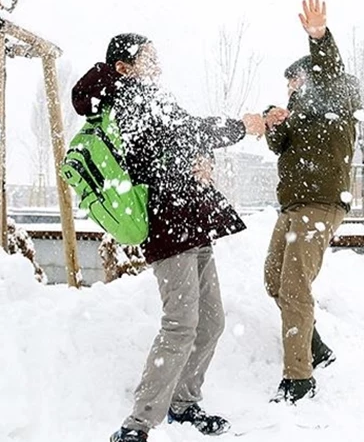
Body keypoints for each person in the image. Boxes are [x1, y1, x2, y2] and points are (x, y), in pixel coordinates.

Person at [72, 33, 266, 442]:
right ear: (124, 66)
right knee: (181, 324)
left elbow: (180, 140)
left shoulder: (151, 97)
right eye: (147, 57)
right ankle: (136, 424)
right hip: (166, 223)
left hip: (191, 218)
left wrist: (203, 159)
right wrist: (240, 128)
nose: (157, 63)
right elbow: (184, 130)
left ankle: (183, 404)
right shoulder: (126, 97)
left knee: (211, 321)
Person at [262, 0, 361, 404]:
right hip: (293, 207)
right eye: (288, 85)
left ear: (312, 77)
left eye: (295, 81)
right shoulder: (298, 115)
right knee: (274, 279)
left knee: (295, 287)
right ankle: (315, 345)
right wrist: (272, 121)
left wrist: (318, 37)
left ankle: (299, 378)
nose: (291, 88)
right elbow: (278, 146)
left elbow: (331, 71)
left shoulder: (337, 98)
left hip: (320, 205)